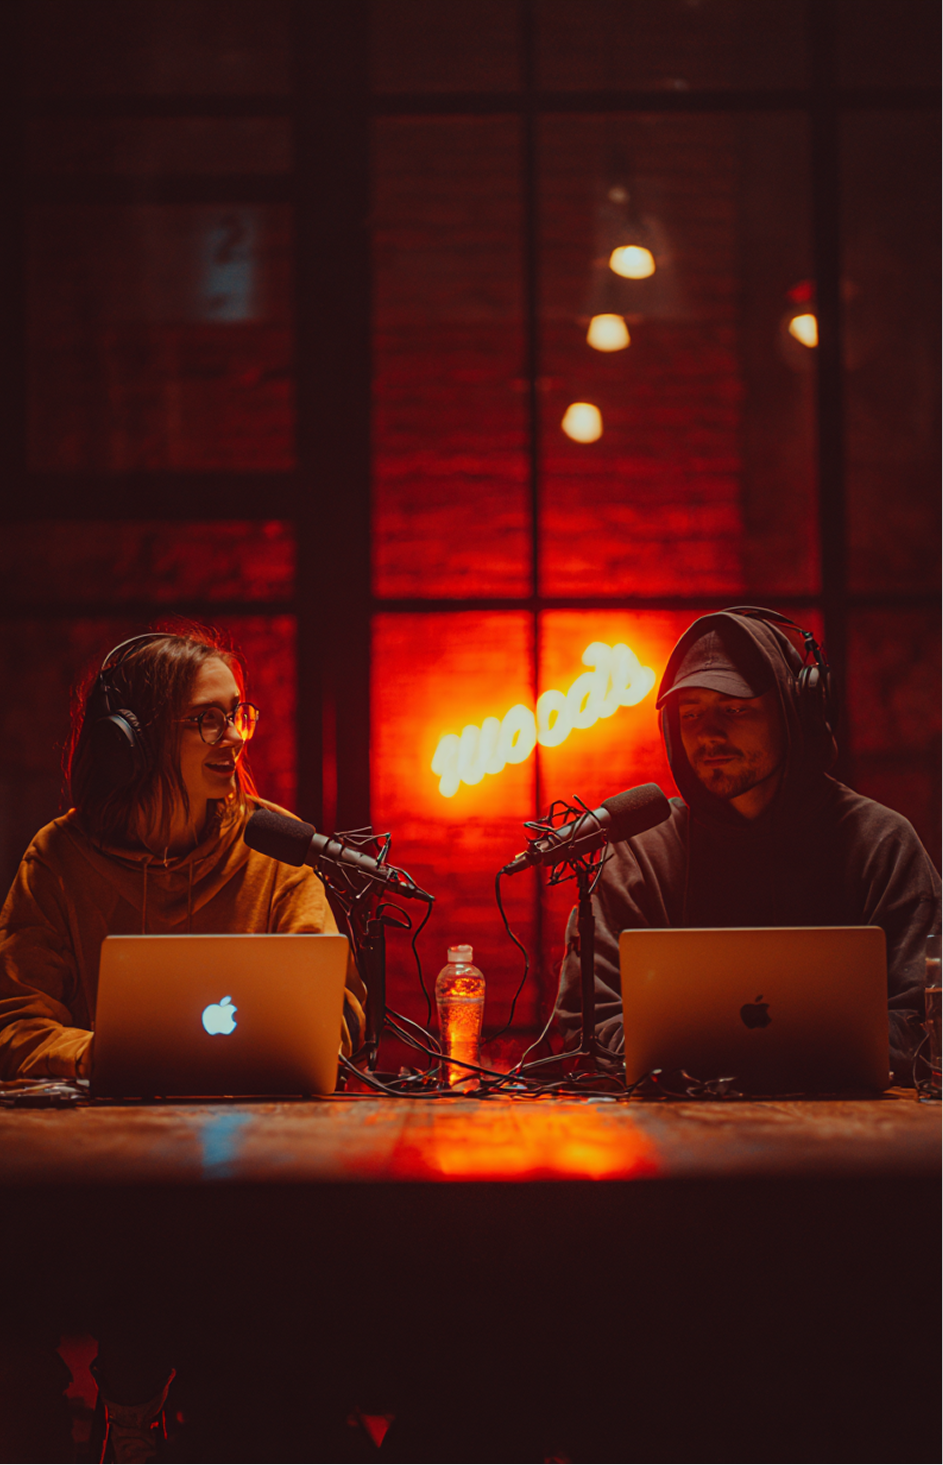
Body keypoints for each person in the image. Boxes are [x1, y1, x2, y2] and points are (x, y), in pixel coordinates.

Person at [0, 626, 366, 1461]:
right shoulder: (56, 862)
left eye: (239, 715)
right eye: (206, 720)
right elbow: (17, 1023)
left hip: (254, 1179)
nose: (233, 737)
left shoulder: (276, 848)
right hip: (100, 1183)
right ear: (132, 738)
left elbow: (336, 1008)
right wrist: (111, 1054)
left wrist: (303, 1034)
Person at [555, 607, 943, 1085]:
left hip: (856, 1147)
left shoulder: (882, 844)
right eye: (691, 713)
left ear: (797, 711)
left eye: (735, 709)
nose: (709, 732)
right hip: (670, 1146)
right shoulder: (636, 856)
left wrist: (773, 1062)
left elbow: (927, 1021)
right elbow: (587, 1027)